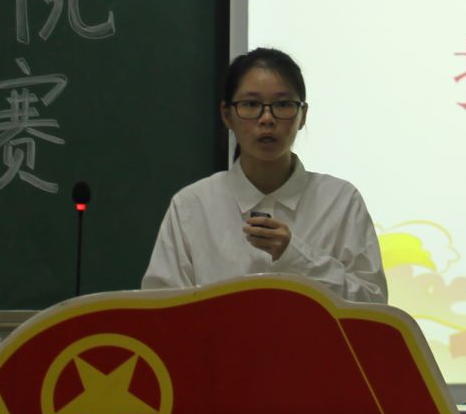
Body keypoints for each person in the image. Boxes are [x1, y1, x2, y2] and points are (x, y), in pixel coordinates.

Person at [141, 47, 387, 303]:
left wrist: (295, 256)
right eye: (251, 105)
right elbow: (160, 310)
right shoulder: (192, 206)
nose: (267, 119)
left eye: (283, 104)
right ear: (227, 115)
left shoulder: (341, 201)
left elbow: (373, 303)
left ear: (303, 115)